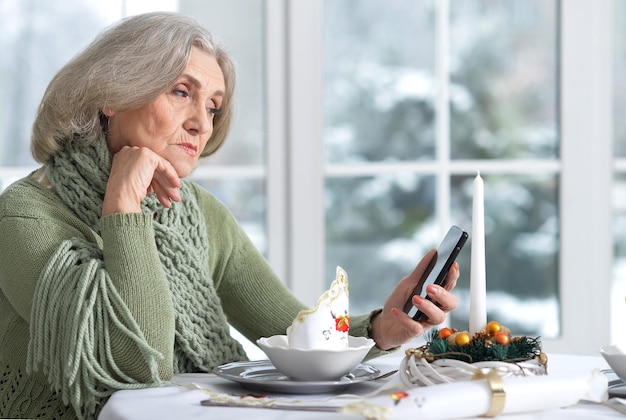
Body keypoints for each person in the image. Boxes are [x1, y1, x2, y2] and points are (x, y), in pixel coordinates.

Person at [0, 11, 460, 420]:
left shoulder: (198, 213)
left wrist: (382, 325)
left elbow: (291, 332)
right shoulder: (25, 216)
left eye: (213, 106)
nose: (203, 122)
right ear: (112, 96)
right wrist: (123, 206)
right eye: (182, 92)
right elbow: (136, 369)